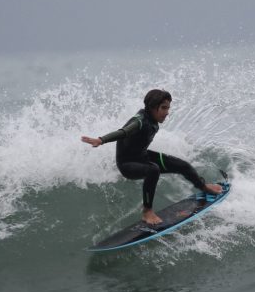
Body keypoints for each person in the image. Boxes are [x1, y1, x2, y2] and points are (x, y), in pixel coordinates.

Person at [82, 89, 222, 225]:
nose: (167, 112)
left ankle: (203, 186)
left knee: (182, 165)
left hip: (142, 156)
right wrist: (101, 140)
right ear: (153, 107)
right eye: (163, 108)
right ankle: (147, 212)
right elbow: (123, 132)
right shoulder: (139, 121)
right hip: (127, 164)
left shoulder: (151, 118)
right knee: (153, 170)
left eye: (168, 108)